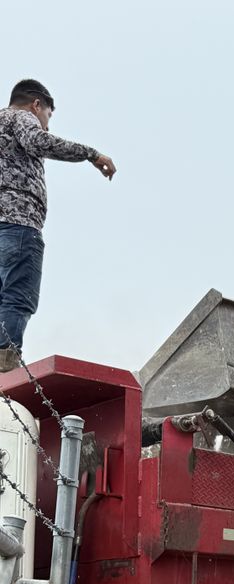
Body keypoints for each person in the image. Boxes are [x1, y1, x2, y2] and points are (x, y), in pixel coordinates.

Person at [0, 79, 116, 370]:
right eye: (48, 116)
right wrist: (91, 154)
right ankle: (5, 364)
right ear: (37, 105)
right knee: (17, 295)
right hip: (19, 223)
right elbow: (37, 141)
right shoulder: (23, 117)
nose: (47, 126)